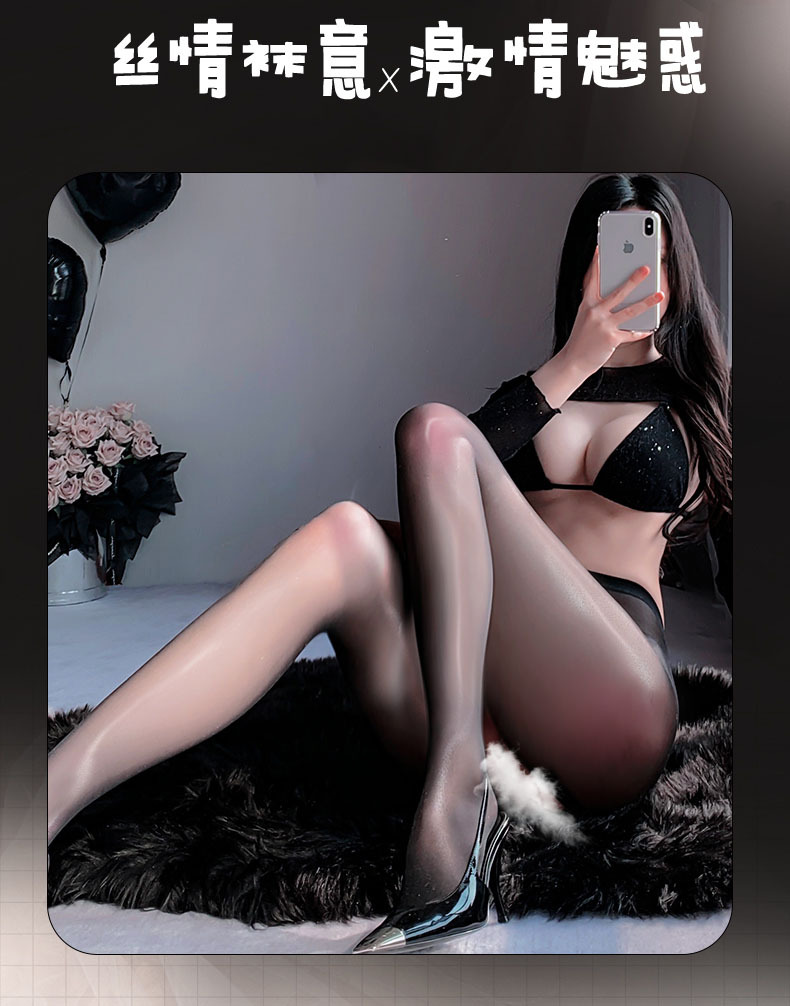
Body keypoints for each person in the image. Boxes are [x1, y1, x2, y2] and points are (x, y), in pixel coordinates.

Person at [47, 173, 732, 955]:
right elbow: (446, 473)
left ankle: (458, 811)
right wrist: (575, 364)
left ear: (679, 272)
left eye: (652, 253)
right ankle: (56, 785)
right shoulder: (542, 390)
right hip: (478, 703)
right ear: (583, 268)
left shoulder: (698, 401)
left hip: (609, 707)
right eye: (612, 252)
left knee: (437, 429)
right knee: (347, 533)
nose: (636, 272)